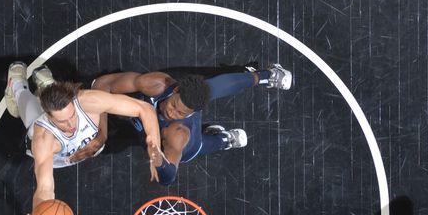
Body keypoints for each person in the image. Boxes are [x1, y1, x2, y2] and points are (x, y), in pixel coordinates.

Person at [3, 63, 164, 215]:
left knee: (55, 99)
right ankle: (16, 85)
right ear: (48, 117)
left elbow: (144, 108)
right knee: (25, 108)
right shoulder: (43, 139)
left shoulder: (88, 101)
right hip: (58, 155)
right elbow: (45, 188)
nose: (71, 125)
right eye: (63, 122)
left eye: (72, 116)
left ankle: (47, 86)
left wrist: (154, 145)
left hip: (82, 144)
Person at [91, 64, 292, 185]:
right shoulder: (156, 84)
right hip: (147, 122)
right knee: (213, 86)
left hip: (182, 143)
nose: (172, 112)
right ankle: (264, 76)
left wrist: (160, 162)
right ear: (175, 89)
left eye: (181, 112)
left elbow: (168, 177)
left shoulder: (178, 133)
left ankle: (224, 139)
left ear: (193, 112)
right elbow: (101, 85)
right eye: (174, 105)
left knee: (200, 146)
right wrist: (102, 135)